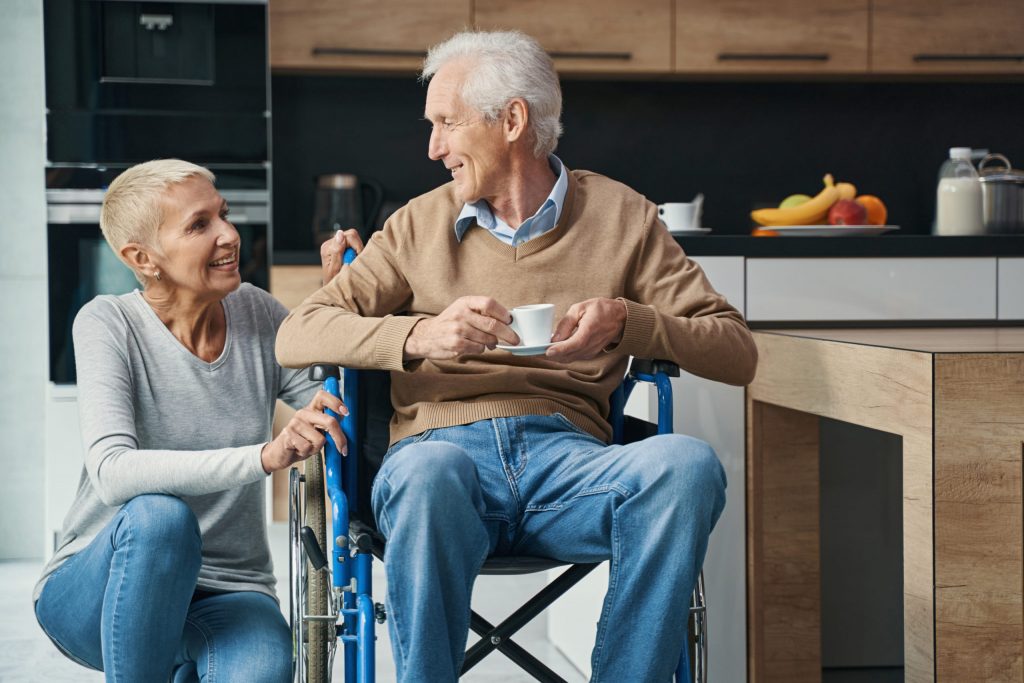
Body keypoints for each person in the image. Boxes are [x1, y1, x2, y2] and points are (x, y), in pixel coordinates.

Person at [276, 30, 758, 682]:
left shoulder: (623, 218)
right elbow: (297, 333)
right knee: (429, 474)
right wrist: (421, 337)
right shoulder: (416, 225)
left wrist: (628, 322)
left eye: (446, 122)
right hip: (438, 461)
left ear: (512, 119)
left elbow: (736, 350)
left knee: (687, 465)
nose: (433, 146)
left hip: (569, 466)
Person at [33, 159, 364, 682]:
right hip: (99, 586)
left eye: (224, 215)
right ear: (142, 258)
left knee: (264, 671)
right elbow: (113, 471)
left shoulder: (258, 312)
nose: (230, 235)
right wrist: (264, 456)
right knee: (160, 519)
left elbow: (339, 406)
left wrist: (337, 303)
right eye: (199, 225)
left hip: (228, 589)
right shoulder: (107, 322)